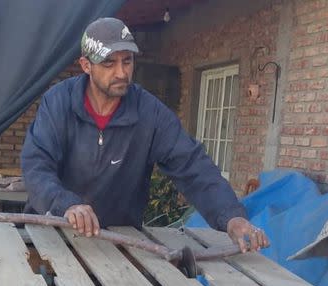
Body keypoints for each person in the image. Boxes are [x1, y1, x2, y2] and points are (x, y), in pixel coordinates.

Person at [21, 17, 269, 252]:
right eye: (109, 63)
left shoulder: (149, 113)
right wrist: (67, 204)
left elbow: (193, 167)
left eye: (127, 61)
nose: (121, 72)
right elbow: (36, 165)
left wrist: (231, 216)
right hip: (54, 230)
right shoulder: (59, 103)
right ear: (86, 65)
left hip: (115, 240)